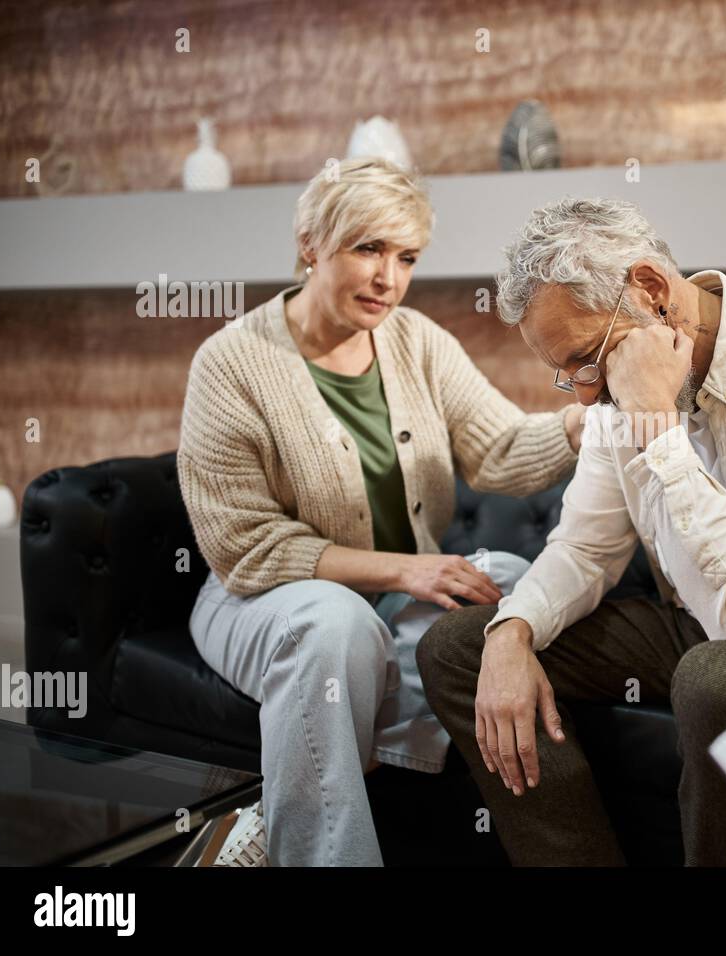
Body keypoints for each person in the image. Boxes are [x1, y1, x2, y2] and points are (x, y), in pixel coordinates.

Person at [417, 197, 726, 865]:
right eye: (567, 375)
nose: (585, 397)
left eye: (587, 358)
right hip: (699, 628)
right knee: (462, 645)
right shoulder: (614, 390)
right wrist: (513, 631)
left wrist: (656, 426)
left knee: (718, 677)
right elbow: (585, 547)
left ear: (652, 290)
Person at [178, 157, 584, 866]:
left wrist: (585, 423)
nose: (388, 278)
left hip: (387, 602)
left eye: (407, 257)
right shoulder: (231, 362)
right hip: (258, 598)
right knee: (337, 625)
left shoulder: (417, 341)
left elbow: (500, 449)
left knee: (510, 583)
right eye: (368, 249)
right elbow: (244, 546)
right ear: (310, 244)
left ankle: (291, 802)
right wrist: (407, 570)